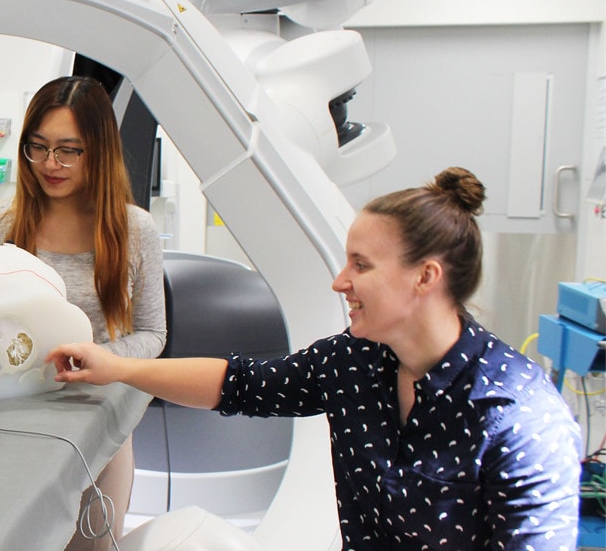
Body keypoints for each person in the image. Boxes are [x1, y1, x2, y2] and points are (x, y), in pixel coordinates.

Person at [49, 167, 582, 549]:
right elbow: (239, 383)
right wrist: (115, 367)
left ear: (425, 276)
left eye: (361, 265)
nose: (339, 281)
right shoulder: (358, 361)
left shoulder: (519, 417)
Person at [0, 75, 166, 549]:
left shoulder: (134, 230)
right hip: (5, 421)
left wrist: (101, 358)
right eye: (37, 147)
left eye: (68, 151)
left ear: (99, 151)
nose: (49, 164)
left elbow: (153, 333)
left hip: (96, 425)